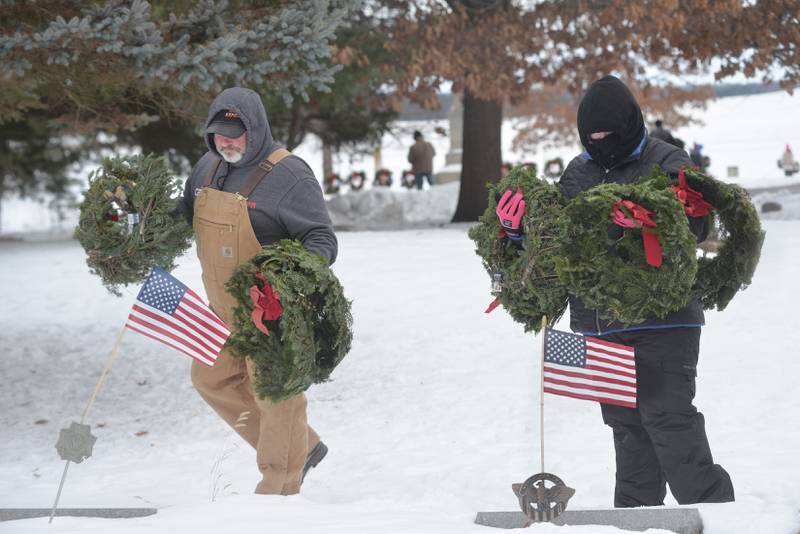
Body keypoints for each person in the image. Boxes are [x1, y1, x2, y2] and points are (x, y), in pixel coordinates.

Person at [557, 75, 734, 508]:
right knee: (627, 426)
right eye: (592, 136)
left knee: (667, 417)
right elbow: (558, 240)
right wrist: (519, 233)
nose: (601, 142)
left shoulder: (667, 160)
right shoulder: (578, 172)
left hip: (663, 318)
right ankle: (636, 516)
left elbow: (697, 223)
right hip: (600, 323)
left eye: (608, 134)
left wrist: (649, 220)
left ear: (630, 123)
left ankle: (713, 513)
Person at [179, 87, 337, 495]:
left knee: (276, 394)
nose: (227, 142)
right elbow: (182, 215)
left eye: (237, 133)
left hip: (270, 312)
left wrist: (282, 282)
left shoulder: (289, 174)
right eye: (219, 134)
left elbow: (321, 240)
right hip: (219, 307)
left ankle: (278, 490)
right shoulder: (206, 168)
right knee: (210, 379)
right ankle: (301, 446)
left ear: (257, 128)